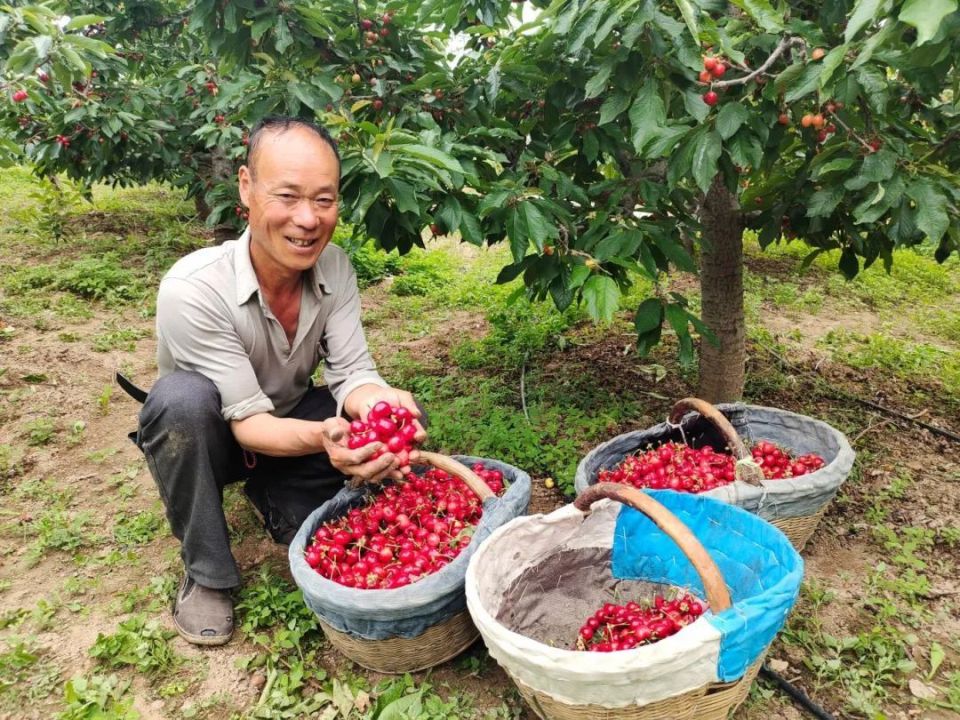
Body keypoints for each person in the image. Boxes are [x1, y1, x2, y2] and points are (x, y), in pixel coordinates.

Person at [132, 116, 426, 646]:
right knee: (180, 402)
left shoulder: (334, 267)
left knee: (391, 419)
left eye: (325, 200)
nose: (308, 219)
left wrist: (381, 403)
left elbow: (352, 374)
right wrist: (322, 438)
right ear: (246, 187)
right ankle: (207, 573)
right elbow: (245, 423)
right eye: (287, 195)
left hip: (287, 418)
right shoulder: (193, 289)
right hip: (218, 436)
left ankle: (276, 492)